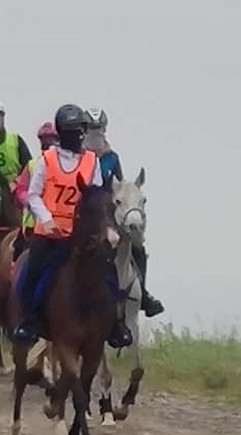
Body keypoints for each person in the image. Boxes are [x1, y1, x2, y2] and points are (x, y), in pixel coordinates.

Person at [11, 104, 132, 349]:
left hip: (82, 232)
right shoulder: (47, 160)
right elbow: (33, 195)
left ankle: (116, 323)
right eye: (68, 130)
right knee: (32, 271)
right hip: (50, 231)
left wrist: (107, 227)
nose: (73, 135)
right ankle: (28, 320)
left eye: (77, 130)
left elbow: (99, 197)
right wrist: (46, 219)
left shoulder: (92, 161)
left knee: (109, 270)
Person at [83, 107, 164, 317]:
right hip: (85, 213)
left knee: (136, 246)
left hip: (109, 214)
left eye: (99, 129)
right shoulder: (78, 156)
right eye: (91, 129)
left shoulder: (112, 157)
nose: (95, 133)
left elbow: (119, 185)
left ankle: (143, 295)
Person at [11, 121, 59, 259]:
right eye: (45, 140)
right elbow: (20, 189)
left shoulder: (66, 165)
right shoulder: (33, 164)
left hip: (61, 225)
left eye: (52, 139)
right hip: (33, 226)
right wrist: (30, 200)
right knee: (18, 254)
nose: (48, 143)